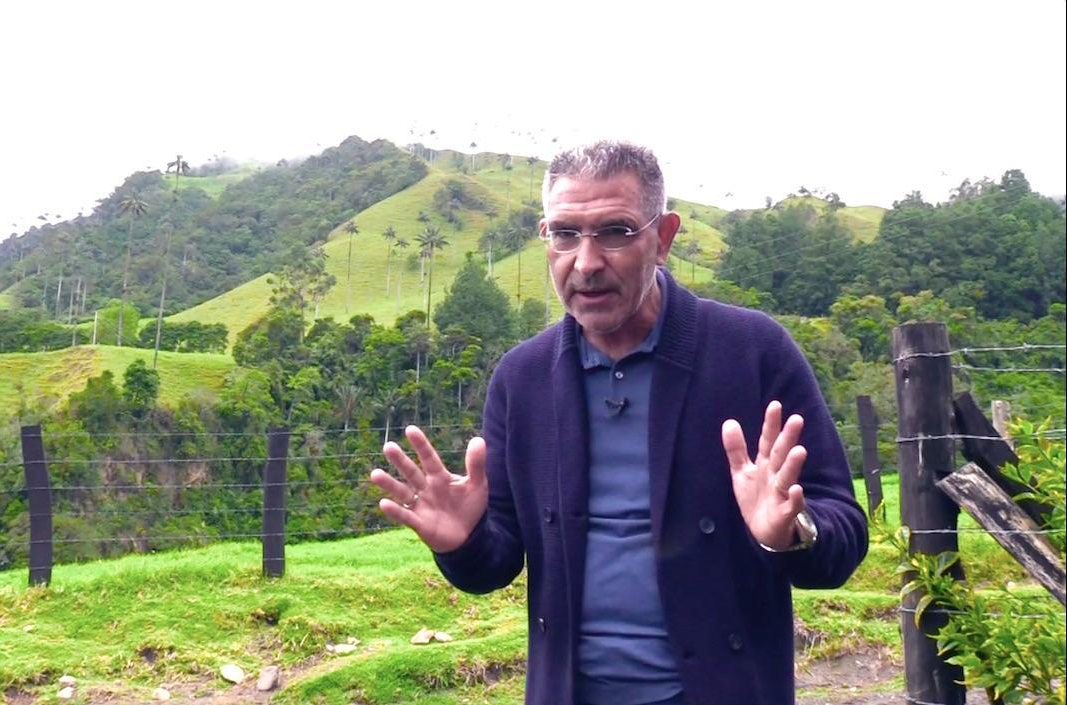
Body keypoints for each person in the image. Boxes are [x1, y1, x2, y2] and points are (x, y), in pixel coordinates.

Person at [369, 141, 868, 705]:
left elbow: (843, 530)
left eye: (616, 232)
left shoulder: (753, 353)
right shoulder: (522, 379)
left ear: (664, 238)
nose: (585, 262)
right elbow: (496, 561)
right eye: (564, 234)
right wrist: (462, 543)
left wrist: (793, 534)